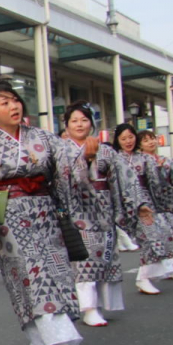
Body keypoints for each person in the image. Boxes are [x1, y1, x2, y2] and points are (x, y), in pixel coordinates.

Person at [0, 78, 96, 345]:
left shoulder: (44, 138)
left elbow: (68, 171)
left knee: (55, 274)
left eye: (15, 100)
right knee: (30, 278)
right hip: (7, 214)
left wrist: (85, 158)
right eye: (4, 102)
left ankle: (38, 343)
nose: (13, 106)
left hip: (45, 212)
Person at [58, 103, 151, 326]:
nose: (79, 125)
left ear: (92, 123)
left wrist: (139, 204)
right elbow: (62, 181)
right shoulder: (60, 149)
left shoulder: (107, 150)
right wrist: (86, 160)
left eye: (84, 120)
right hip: (78, 211)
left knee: (104, 257)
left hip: (105, 209)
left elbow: (126, 178)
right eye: (74, 121)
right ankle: (88, 308)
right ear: (67, 125)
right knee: (84, 261)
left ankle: (98, 304)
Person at [112, 124, 173, 293]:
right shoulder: (114, 159)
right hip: (127, 203)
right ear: (117, 140)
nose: (128, 141)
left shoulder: (145, 158)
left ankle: (144, 276)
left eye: (131, 137)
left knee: (153, 237)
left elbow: (156, 182)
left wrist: (162, 172)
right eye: (123, 139)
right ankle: (145, 276)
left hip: (147, 202)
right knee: (148, 238)